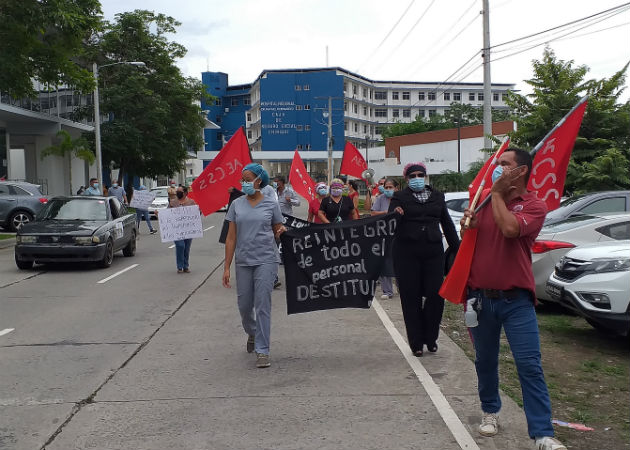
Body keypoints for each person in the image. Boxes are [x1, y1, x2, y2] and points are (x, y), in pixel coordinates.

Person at [460, 148, 566, 450]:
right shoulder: (482, 202)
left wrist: (495, 195)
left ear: (520, 172)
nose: (497, 168)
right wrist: (469, 223)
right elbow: (470, 236)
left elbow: (509, 229)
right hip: (480, 298)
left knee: (529, 364)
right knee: (485, 361)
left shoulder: (533, 205)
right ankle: (490, 411)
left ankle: (542, 433)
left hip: (517, 300)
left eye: (504, 165)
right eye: (497, 163)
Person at [388, 162, 459, 357]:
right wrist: (396, 215)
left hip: (433, 251)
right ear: (406, 179)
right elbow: (389, 222)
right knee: (410, 298)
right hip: (406, 252)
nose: (417, 179)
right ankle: (416, 343)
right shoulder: (399, 197)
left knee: (436, 295)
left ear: (426, 177)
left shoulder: (437, 196)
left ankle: (431, 337)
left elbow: (447, 224)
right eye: (413, 176)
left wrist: (458, 250)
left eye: (421, 175)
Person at [223, 163, 285, 369]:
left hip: (266, 259)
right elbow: (231, 238)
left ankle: (263, 350)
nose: (245, 183)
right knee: (244, 306)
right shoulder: (236, 204)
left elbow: (278, 228)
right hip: (243, 260)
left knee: (263, 305)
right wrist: (226, 267)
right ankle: (253, 331)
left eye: (248, 179)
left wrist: (281, 231)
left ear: (259, 180)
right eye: (243, 179)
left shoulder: (270, 203)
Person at [371, 178, 398, 299]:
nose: (388, 189)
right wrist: (386, 212)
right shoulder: (380, 198)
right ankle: (387, 291)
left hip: (399, 235)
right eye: (386, 187)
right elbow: (373, 213)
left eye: (390, 187)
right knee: (384, 262)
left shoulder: (402, 199)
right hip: (384, 234)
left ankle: (403, 288)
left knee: (400, 263)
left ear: (396, 188)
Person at [169, 186, 196, 273]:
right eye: (177, 191)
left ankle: (185, 266)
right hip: (177, 230)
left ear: (185, 193)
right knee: (180, 246)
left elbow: (196, 214)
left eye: (179, 192)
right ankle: (179, 266)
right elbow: (167, 214)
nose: (177, 193)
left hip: (188, 230)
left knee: (186, 248)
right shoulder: (173, 202)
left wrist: (199, 211)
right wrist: (159, 214)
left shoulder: (191, 202)